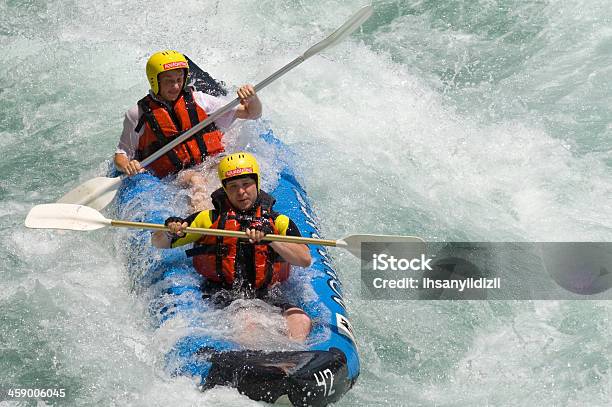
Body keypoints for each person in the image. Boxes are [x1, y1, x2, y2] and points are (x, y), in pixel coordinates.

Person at [152, 152, 313, 341]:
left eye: (246, 184)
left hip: (269, 293)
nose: (241, 192)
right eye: (233, 186)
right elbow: (159, 242)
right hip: (224, 296)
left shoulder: (279, 222)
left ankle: (296, 357)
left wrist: (271, 239)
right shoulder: (209, 219)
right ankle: (260, 362)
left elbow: (304, 260)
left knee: (301, 320)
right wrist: (170, 231)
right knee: (249, 322)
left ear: (257, 184)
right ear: (225, 190)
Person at [114, 50, 262, 209]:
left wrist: (252, 98)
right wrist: (127, 165)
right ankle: (203, 220)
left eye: (179, 79)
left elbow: (251, 113)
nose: (176, 86)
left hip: (212, 161)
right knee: (196, 180)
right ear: (154, 81)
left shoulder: (200, 100)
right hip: (177, 174)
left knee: (233, 173)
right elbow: (121, 154)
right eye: (169, 81)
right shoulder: (137, 114)